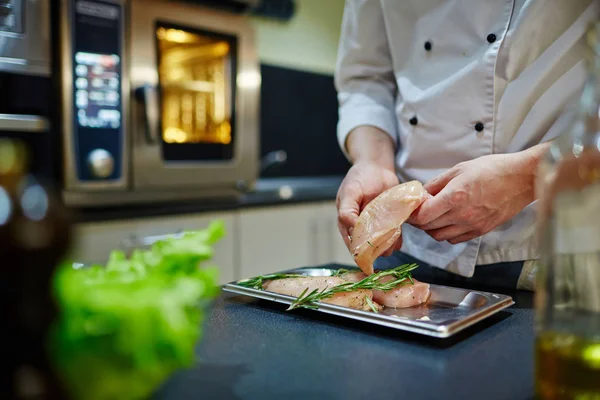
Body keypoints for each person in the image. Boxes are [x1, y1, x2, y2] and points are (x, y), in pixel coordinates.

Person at [334, 0, 597, 290]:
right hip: (403, 247)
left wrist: (528, 176)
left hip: (548, 249)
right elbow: (365, 80)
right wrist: (372, 160)